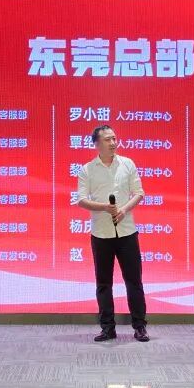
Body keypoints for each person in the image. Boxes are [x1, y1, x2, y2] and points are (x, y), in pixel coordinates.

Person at [77, 124, 149, 342]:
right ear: (97, 144)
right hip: (101, 234)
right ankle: (108, 328)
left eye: (114, 139)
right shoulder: (87, 170)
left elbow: (139, 192)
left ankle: (140, 326)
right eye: (108, 139)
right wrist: (104, 208)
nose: (113, 143)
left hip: (127, 232)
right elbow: (81, 200)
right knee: (103, 283)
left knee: (134, 281)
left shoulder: (127, 164)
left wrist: (124, 210)